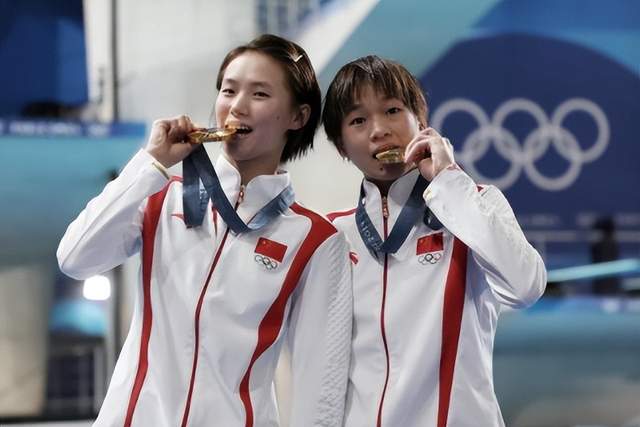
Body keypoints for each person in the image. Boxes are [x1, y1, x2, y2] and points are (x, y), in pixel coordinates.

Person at [57, 34, 352, 427]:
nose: (237, 106)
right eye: (228, 90)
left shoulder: (314, 240)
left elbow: (321, 383)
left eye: (259, 94)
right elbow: (74, 257)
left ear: (298, 117)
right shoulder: (161, 198)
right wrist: (149, 163)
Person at [322, 55, 546, 427]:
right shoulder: (332, 234)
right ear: (341, 146)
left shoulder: (474, 204)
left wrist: (449, 181)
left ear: (421, 123)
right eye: (358, 120)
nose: (379, 130)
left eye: (392, 111)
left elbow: (526, 287)